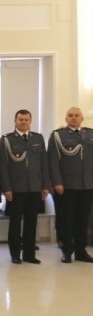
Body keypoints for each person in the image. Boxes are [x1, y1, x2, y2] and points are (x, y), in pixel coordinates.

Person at [0, 109, 50, 264]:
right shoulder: (7, 139)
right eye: (20, 119)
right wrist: (6, 188)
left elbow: (44, 163)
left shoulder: (38, 138)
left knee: (31, 222)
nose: (23, 122)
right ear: (15, 121)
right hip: (16, 188)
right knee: (15, 222)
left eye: (26, 119)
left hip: (34, 187)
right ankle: (15, 254)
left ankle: (29, 254)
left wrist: (45, 185)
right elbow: (3, 166)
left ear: (30, 121)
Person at [48, 107, 93, 263]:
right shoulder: (57, 136)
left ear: (82, 118)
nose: (73, 118)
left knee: (83, 219)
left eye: (76, 116)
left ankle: (81, 251)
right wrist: (57, 182)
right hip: (66, 185)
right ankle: (67, 250)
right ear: (66, 119)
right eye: (70, 116)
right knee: (66, 219)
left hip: (87, 184)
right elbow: (53, 161)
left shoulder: (90, 134)